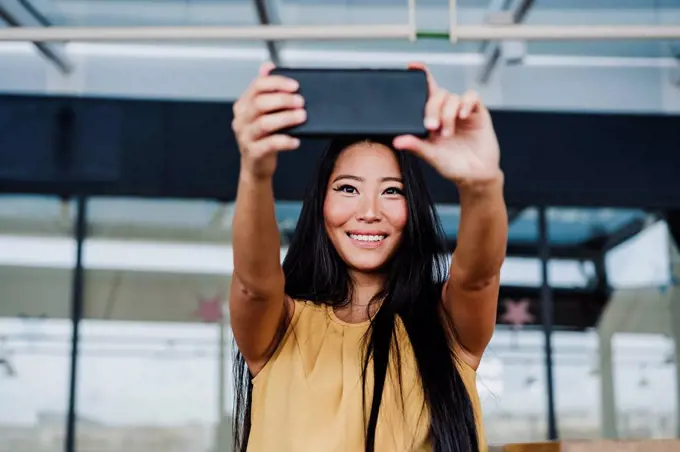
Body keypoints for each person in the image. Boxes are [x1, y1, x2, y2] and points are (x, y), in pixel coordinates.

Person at [229, 61, 508, 452]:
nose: (369, 210)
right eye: (347, 189)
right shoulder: (278, 329)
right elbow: (253, 286)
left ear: (413, 208)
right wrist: (255, 172)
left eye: (392, 191)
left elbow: (479, 276)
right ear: (320, 203)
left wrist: (483, 184)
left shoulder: (447, 327)